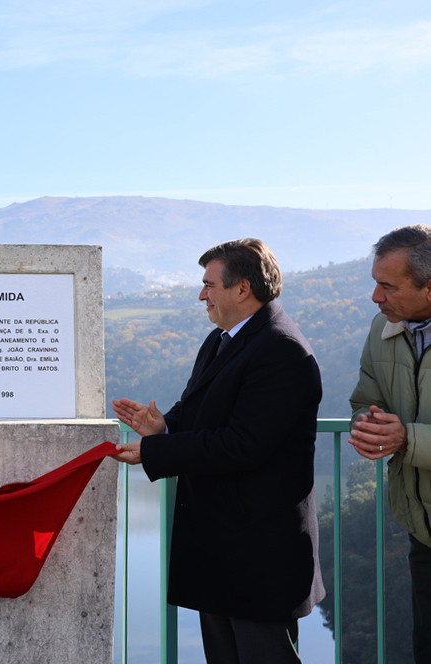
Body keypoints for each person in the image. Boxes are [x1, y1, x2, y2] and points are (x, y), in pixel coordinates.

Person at [111, 238, 324, 664]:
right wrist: (164, 426)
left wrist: (156, 453)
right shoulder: (222, 340)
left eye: (209, 285)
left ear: (242, 289)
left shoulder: (282, 350)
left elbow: (243, 445)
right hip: (224, 549)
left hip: (259, 555)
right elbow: (200, 410)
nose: (201, 294)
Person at [348, 224, 431, 663]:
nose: (376, 297)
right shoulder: (384, 327)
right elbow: (366, 399)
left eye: (387, 286)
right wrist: (369, 426)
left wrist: (406, 438)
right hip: (423, 531)